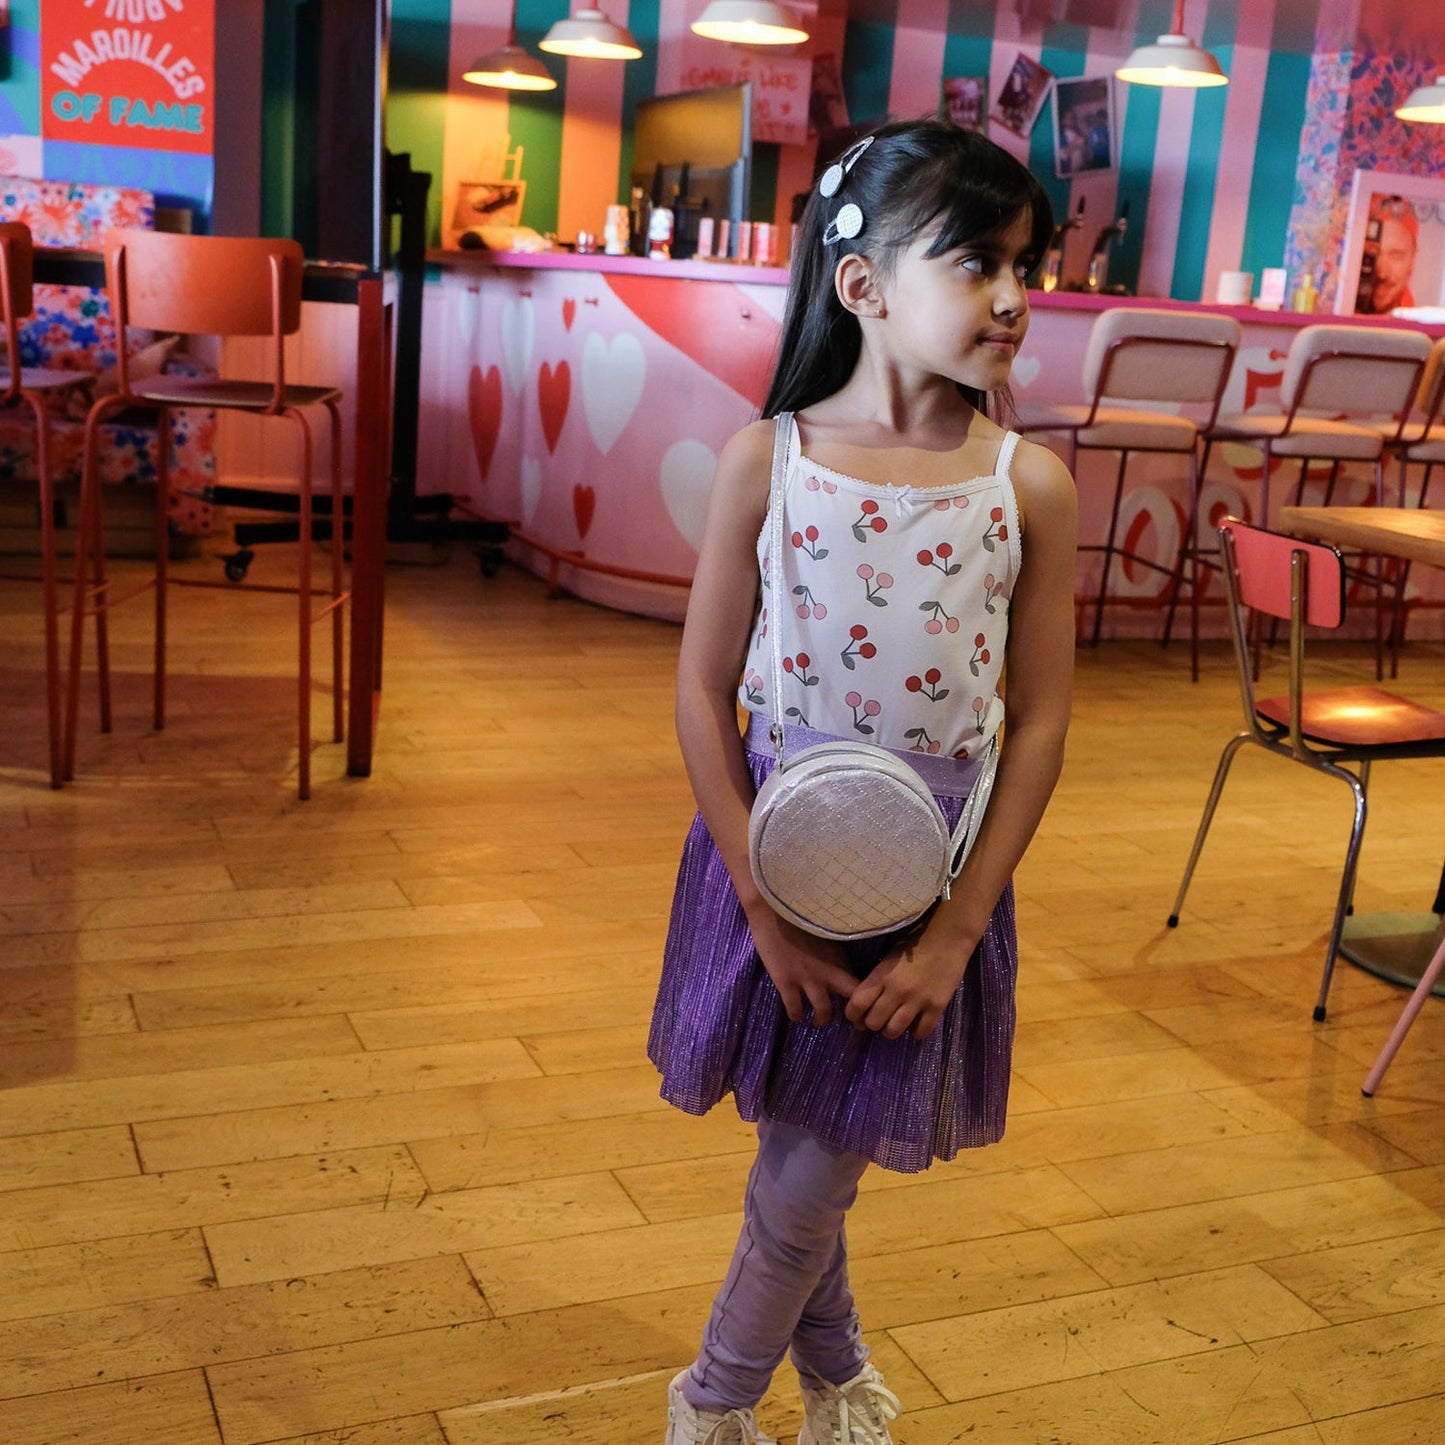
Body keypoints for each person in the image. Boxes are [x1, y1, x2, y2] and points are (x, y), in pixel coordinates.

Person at [649, 118, 1077, 1444]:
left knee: (805, 1170)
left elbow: (1047, 717)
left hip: (927, 891)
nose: (1014, 296)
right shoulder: (762, 462)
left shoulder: (1030, 484)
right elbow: (698, 692)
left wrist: (954, 934)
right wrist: (761, 910)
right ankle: (832, 1382)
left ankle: (711, 1401)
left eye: (1027, 264)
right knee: (800, 1149)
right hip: (767, 865)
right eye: (976, 261)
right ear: (863, 285)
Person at [1364, 207, 1418, 314]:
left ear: (1412, 259)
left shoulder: (1420, 327)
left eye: (1396, 256)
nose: (1382, 274)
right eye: (1372, 253)